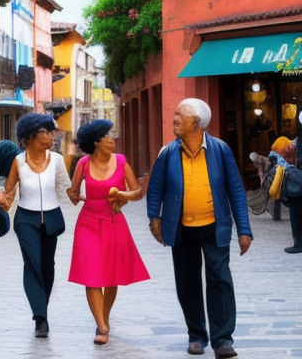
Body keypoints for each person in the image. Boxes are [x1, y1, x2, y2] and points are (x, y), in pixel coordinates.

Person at [146, 98, 253, 359]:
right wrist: (154, 218)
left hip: (214, 226)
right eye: (175, 113)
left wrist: (244, 229)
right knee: (187, 282)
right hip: (181, 228)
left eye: (180, 115)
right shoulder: (168, 152)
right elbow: (155, 188)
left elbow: (236, 190)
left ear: (197, 122)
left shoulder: (220, 150)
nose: (174, 119)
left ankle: (222, 339)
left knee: (219, 280)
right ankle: (196, 336)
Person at [66, 119, 150, 346]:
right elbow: (73, 193)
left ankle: (104, 317)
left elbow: (137, 192)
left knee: (111, 276)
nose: (113, 140)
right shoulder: (83, 164)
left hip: (114, 222)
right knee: (91, 276)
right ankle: (101, 326)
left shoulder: (122, 162)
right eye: (108, 137)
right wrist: (73, 195)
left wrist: (123, 196)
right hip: (88, 223)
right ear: (96, 142)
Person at [0, 113, 71, 338]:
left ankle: (41, 309)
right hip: (26, 219)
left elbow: (67, 190)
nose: (50, 136)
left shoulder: (57, 160)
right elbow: (8, 197)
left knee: (48, 265)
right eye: (45, 132)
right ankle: (40, 318)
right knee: (32, 263)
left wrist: (84, 192)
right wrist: (1, 200)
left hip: (52, 218)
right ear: (29, 137)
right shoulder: (18, 162)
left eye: (50, 131)